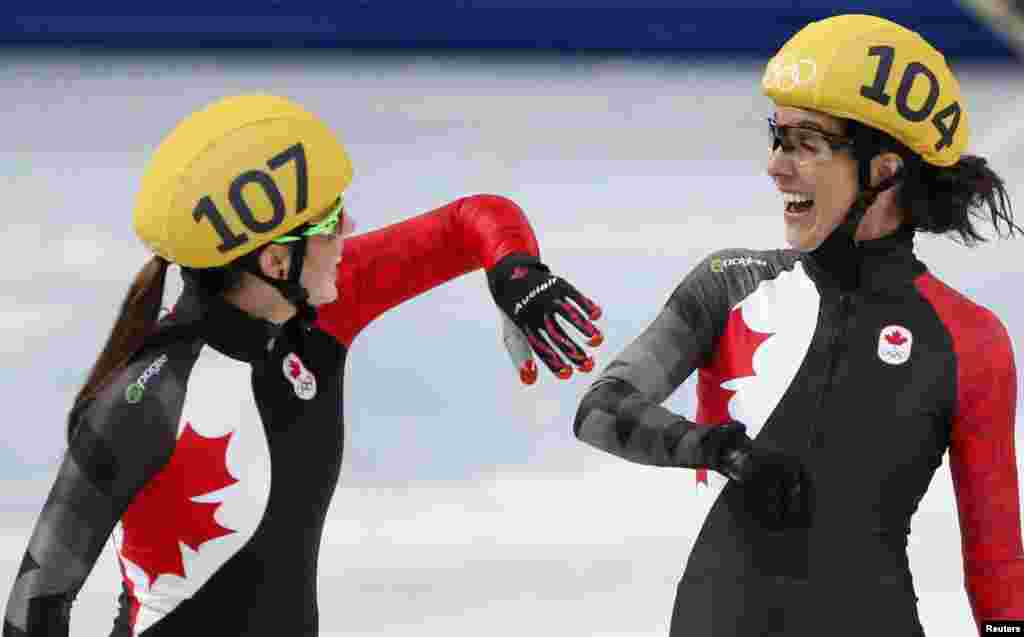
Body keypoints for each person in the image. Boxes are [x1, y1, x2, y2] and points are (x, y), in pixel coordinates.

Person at [3, 93, 604, 637]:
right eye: (326, 220)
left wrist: (514, 271)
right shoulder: (145, 399)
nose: (348, 228)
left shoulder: (320, 309)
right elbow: (33, 611)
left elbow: (473, 218)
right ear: (272, 260)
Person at [573, 14, 1023, 636]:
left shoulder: (970, 339)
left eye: (804, 143)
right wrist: (714, 447)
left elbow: (998, 559)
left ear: (884, 171)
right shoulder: (730, 284)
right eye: (775, 137)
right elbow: (601, 407)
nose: (775, 167)